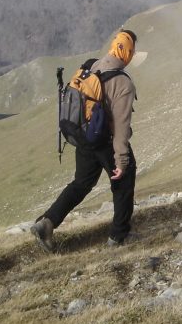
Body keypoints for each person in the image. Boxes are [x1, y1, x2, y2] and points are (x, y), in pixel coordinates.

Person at [32, 29, 139, 252]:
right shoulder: (122, 83)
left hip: (83, 136)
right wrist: (121, 161)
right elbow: (120, 128)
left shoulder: (92, 65)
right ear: (128, 52)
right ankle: (119, 236)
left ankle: (47, 223)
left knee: (81, 183)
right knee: (123, 180)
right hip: (104, 141)